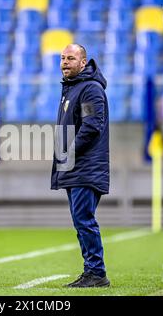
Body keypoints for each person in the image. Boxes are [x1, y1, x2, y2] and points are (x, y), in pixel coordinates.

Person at [51, 44, 110, 288]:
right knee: (80, 220)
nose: (65, 62)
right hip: (76, 167)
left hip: (86, 168)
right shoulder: (73, 88)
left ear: (83, 63)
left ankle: (96, 273)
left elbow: (91, 126)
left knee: (84, 219)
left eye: (71, 58)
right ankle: (91, 271)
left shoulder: (90, 89)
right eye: (63, 58)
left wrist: (69, 152)